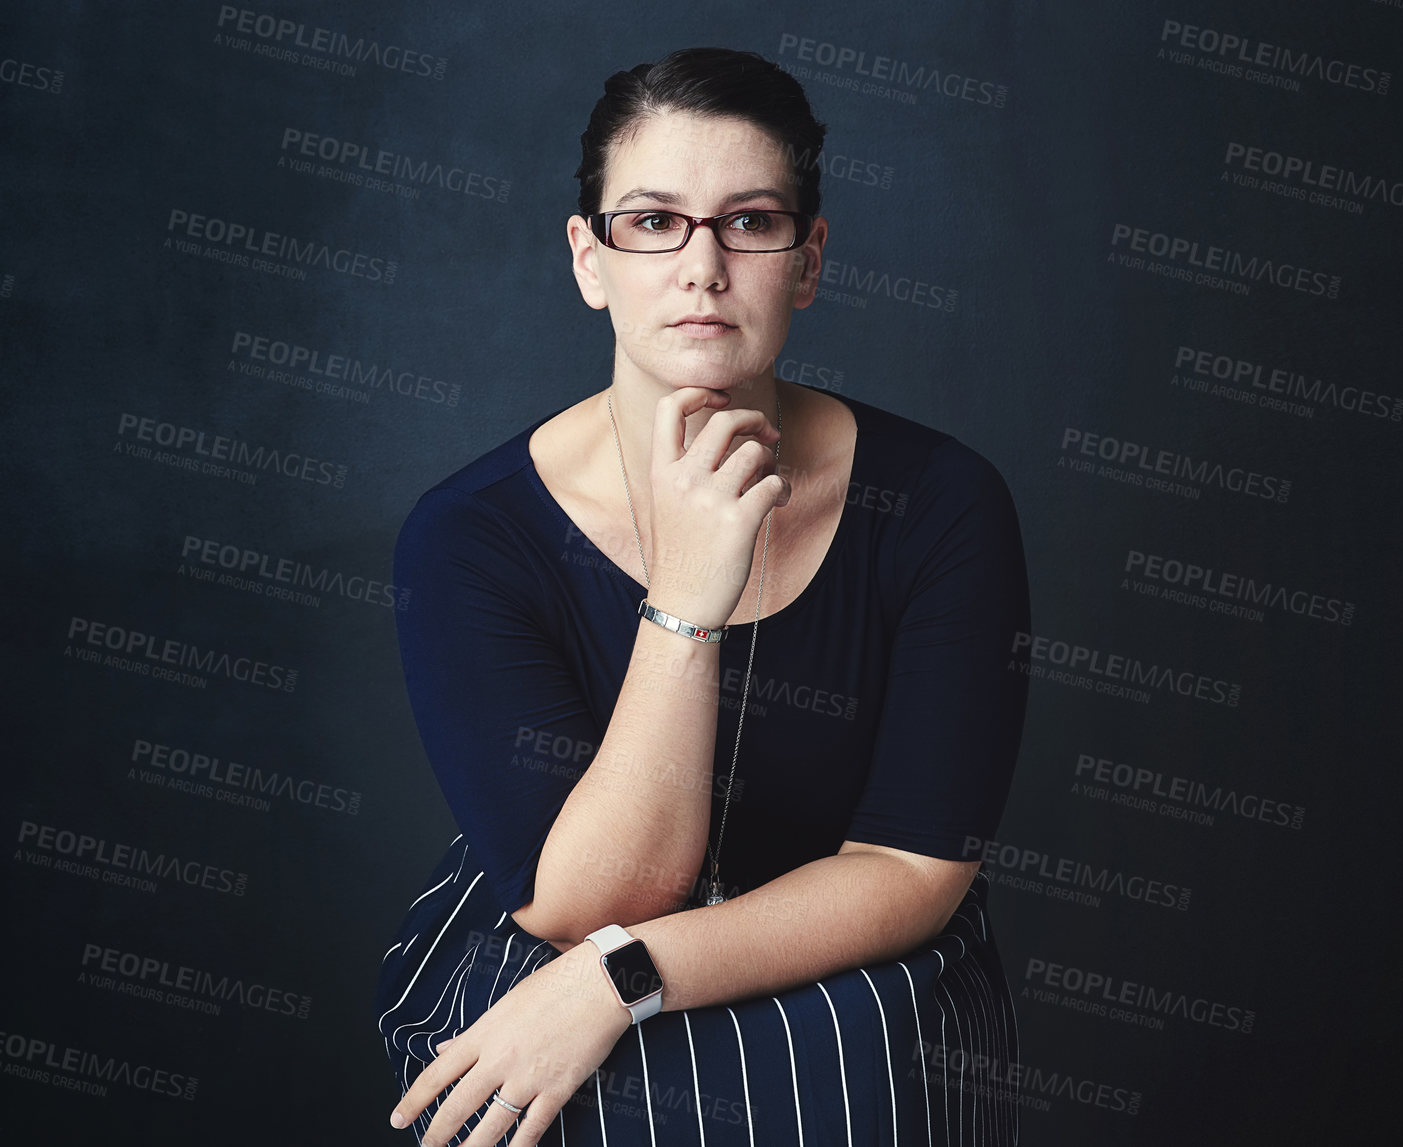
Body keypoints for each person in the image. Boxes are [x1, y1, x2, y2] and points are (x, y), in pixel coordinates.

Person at [374, 46, 1030, 1147]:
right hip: (558, 927)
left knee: (863, 1077)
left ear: (808, 260)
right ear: (589, 258)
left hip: (845, 958)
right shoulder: (469, 531)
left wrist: (622, 978)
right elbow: (580, 902)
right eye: (650, 221)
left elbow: (911, 870)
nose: (701, 266)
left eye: (751, 220)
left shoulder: (941, 501)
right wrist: (686, 596)